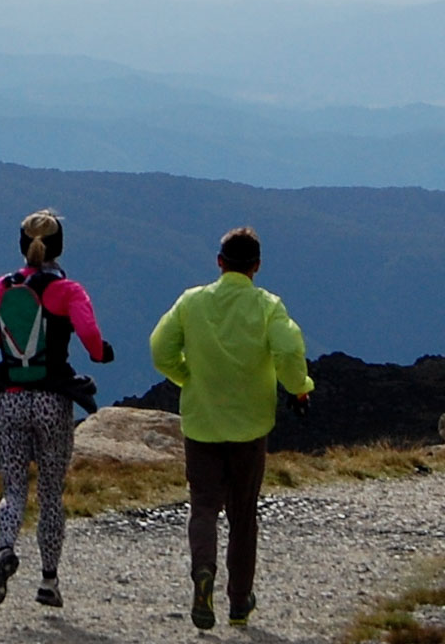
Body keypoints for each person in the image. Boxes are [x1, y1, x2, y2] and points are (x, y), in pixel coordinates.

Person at [148, 226, 314, 630]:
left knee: (203, 505)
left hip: (202, 421)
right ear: (256, 266)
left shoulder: (191, 302)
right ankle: (239, 602)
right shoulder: (268, 305)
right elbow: (289, 349)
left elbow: (160, 348)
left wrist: (187, 378)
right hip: (250, 425)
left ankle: (202, 573)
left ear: (219, 263)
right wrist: (299, 388)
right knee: (243, 514)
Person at [0, 209, 113, 609]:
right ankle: (48, 581)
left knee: (12, 491)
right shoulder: (70, 291)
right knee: (50, 494)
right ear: (59, 247)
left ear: (21, 245)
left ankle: (5, 549)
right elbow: (92, 340)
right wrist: (101, 354)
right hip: (52, 401)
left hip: (9, 398)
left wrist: (6, 339)